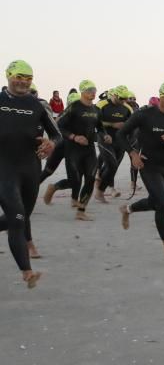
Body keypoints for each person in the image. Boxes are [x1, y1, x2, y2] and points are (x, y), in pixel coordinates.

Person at [117, 82, 164, 262]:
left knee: (160, 200)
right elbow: (121, 135)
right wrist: (133, 154)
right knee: (162, 204)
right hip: (148, 165)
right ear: (161, 96)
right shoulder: (144, 115)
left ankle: (128, 209)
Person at [1, 60, 59, 287]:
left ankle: (26, 269)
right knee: (16, 218)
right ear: (8, 75)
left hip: (30, 169)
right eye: (19, 76)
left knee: (21, 217)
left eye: (28, 78)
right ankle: (27, 272)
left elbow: (56, 134)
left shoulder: (37, 105)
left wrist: (51, 144)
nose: (23, 81)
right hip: (3, 167)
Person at [56, 79, 108, 221]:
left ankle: (81, 211)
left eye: (94, 89)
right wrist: (74, 137)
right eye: (89, 90)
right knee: (75, 181)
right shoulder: (74, 107)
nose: (93, 92)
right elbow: (59, 126)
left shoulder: (96, 110)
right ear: (82, 92)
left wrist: (105, 135)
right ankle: (55, 188)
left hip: (89, 150)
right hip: (73, 150)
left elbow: (100, 127)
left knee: (90, 179)